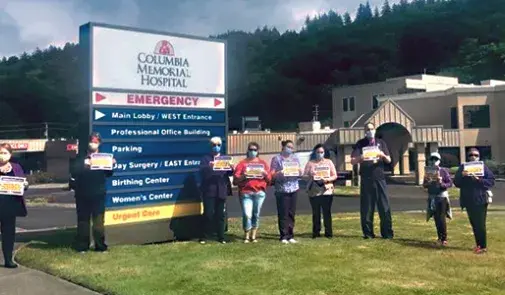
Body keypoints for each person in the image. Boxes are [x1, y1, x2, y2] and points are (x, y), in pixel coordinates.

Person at [71, 133, 115, 252]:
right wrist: (84, 165)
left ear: (99, 143)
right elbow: (74, 171)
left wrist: (111, 165)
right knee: (83, 221)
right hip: (82, 194)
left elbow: (109, 174)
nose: (93, 143)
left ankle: (100, 246)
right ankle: (82, 246)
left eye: (95, 142)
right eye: (92, 141)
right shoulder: (81, 158)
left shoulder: (103, 158)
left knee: (98, 222)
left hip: (98, 194)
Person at [351, 122, 394, 239]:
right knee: (367, 207)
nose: (370, 131)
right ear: (364, 131)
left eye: (371, 129)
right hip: (366, 178)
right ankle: (368, 233)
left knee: (384, 206)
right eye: (367, 129)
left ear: (375, 130)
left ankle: (387, 233)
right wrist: (361, 157)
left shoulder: (381, 143)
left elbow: (389, 160)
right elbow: (352, 160)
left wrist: (383, 155)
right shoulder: (360, 144)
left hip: (380, 178)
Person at [454, 148, 495, 254]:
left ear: (479, 156)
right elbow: (456, 183)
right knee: (474, 223)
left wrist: (479, 180)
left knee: (480, 224)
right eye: (471, 155)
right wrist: (462, 176)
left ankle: (483, 246)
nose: (473, 157)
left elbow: (491, 181)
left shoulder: (483, 168)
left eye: (475, 155)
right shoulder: (463, 167)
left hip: (480, 199)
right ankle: (478, 245)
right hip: (468, 200)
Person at [233, 142, 271, 243]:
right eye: (251, 149)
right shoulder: (242, 163)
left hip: (259, 193)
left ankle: (253, 236)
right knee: (247, 214)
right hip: (246, 193)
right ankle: (246, 234)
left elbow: (269, 180)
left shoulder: (263, 164)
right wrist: (243, 176)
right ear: (247, 151)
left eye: (255, 150)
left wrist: (265, 174)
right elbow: (235, 181)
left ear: (258, 151)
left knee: (256, 214)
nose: (252, 152)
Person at [199, 136, 234, 244]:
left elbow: (230, 173)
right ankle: (204, 236)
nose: (216, 147)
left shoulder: (224, 158)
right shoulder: (206, 159)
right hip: (209, 190)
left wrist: (232, 168)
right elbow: (201, 172)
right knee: (208, 214)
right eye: (214, 145)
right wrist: (209, 166)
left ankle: (221, 237)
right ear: (210, 146)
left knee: (220, 215)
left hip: (221, 190)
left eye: (218, 145)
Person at [0, 143, 28, 268]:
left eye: (5, 153)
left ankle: (8, 259)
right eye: (0, 153)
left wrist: (25, 185)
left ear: (10, 154)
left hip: (10, 206)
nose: (2, 156)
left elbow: (22, 183)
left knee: (9, 234)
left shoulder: (16, 167)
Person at [270, 140, 302, 244]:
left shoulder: (295, 158)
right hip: (282, 189)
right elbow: (272, 174)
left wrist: (300, 171)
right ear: (283, 147)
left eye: (292, 147)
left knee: (291, 213)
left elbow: (299, 171)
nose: (290, 149)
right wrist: (280, 173)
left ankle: (290, 235)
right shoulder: (276, 159)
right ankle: (283, 236)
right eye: (288, 147)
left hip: (294, 188)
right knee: (283, 213)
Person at [304, 144, 337, 239]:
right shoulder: (310, 163)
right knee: (316, 213)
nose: (320, 154)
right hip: (314, 191)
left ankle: (328, 233)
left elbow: (335, 175)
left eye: (321, 152)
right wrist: (310, 175)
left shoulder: (329, 162)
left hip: (327, 190)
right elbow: (304, 176)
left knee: (327, 212)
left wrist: (327, 179)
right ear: (314, 153)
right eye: (318, 152)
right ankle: (316, 232)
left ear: (324, 153)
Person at [423, 152, 453, 246]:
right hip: (432, 197)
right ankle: (439, 237)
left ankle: (444, 238)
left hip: (441, 197)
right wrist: (427, 182)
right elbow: (424, 185)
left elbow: (450, 183)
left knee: (441, 217)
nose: (433, 161)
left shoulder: (443, 171)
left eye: (435, 159)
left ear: (439, 161)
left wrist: (441, 183)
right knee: (436, 218)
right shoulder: (428, 172)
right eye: (431, 159)